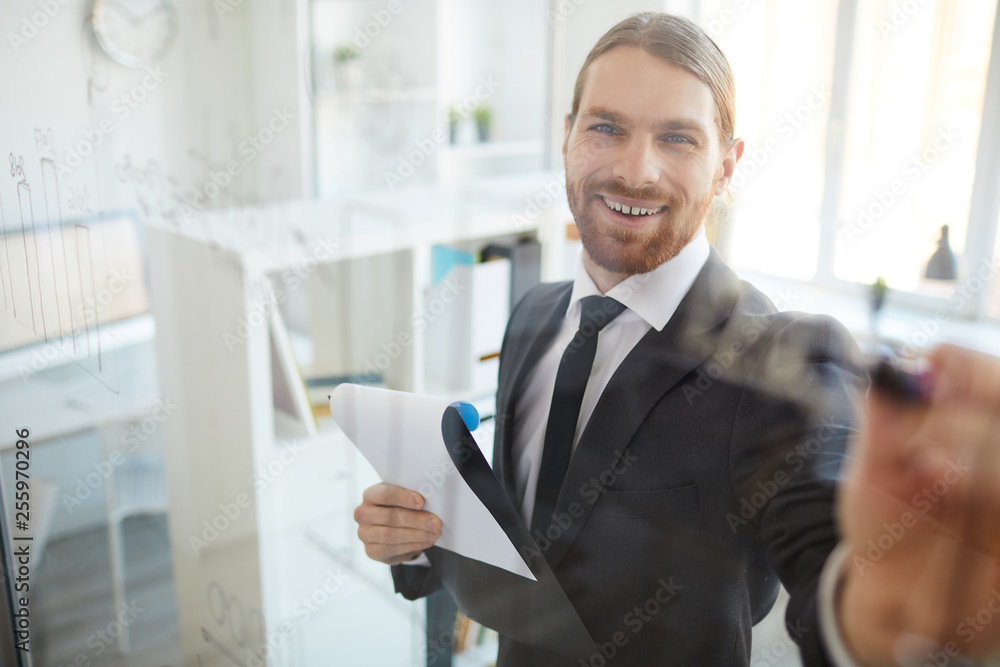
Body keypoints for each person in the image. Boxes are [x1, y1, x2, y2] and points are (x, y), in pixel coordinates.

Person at [354, 12, 1000, 666]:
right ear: (567, 138)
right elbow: (520, 539)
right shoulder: (531, 316)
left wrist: (876, 606)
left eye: (679, 139)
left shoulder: (781, 356)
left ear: (726, 165)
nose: (637, 171)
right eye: (605, 127)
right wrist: (417, 538)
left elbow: (826, 540)